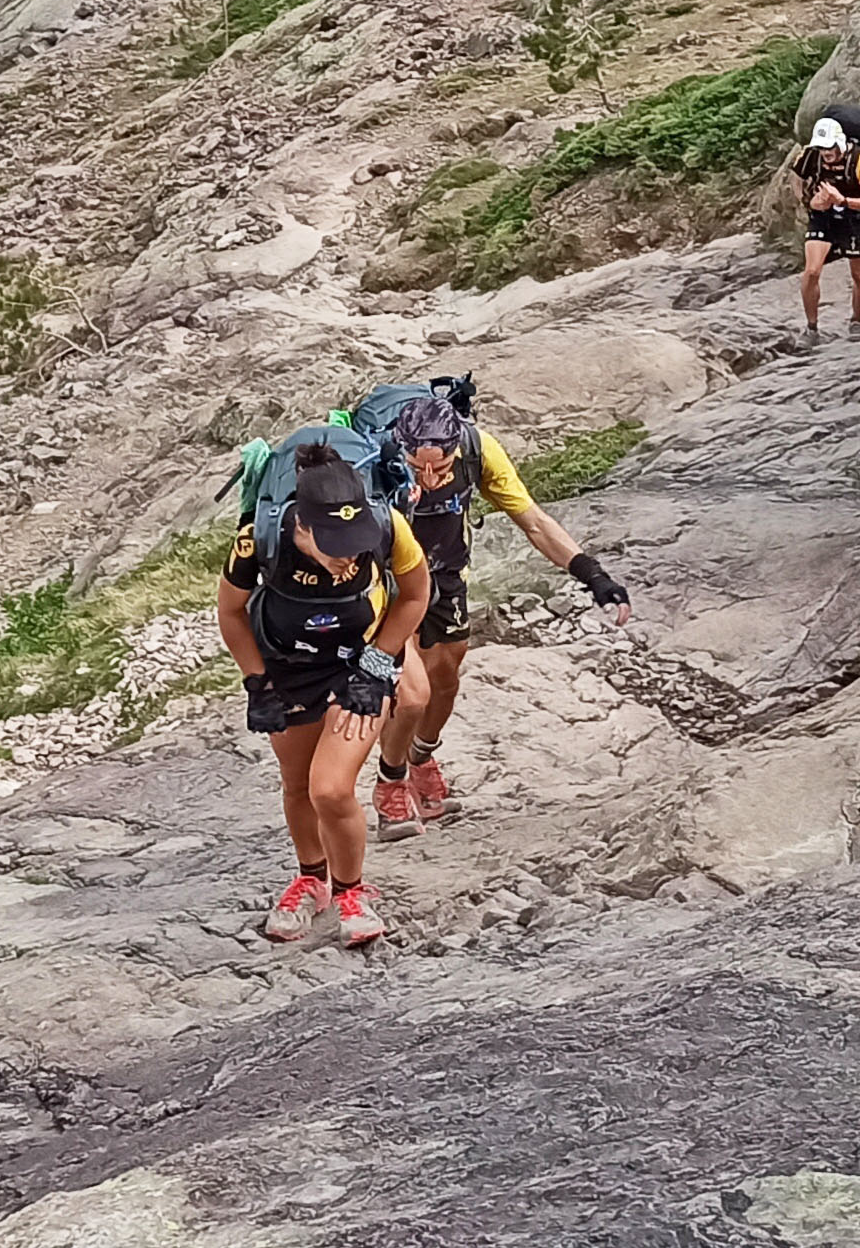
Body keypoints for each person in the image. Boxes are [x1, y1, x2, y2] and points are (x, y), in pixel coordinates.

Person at [371, 393, 633, 838]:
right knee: (411, 694)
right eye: (419, 468)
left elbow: (532, 521)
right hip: (390, 585)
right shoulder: (377, 466)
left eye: (442, 467)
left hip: (445, 577)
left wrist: (593, 576)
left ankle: (420, 758)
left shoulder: (478, 450)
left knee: (446, 680)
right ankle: (389, 785)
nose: (431, 478)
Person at [216, 442, 431, 946]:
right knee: (296, 784)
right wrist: (255, 682)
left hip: (358, 667)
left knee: (330, 788)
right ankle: (311, 879)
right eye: (336, 546)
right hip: (289, 668)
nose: (350, 556)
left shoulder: (385, 526)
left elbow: (417, 595)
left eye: (355, 544)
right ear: (303, 528)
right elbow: (230, 612)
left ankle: (351, 894)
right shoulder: (259, 541)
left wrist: (379, 664)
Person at [792, 116, 860, 341]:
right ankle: (812, 329)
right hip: (822, 216)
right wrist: (807, 201)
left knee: (858, 273)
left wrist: (842, 200)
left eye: (829, 147)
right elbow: (796, 175)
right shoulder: (811, 156)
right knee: (811, 271)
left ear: (839, 143)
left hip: (852, 216)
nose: (825, 153)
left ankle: (856, 321)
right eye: (821, 148)